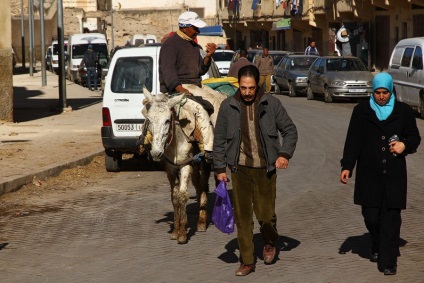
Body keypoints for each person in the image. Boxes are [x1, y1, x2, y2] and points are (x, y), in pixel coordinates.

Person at [213, 65, 298, 276]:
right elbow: (219, 140)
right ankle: (248, 261)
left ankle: (270, 240)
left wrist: (283, 154)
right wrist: (219, 168)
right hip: (239, 169)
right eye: (243, 88)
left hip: (265, 169)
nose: (247, 92)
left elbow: (290, 130)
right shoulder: (228, 106)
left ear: (257, 85)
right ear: (238, 87)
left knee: (266, 216)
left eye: (251, 88)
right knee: (243, 219)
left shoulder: (272, 104)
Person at [340, 73, 421, 276]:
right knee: (371, 216)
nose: (382, 96)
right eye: (378, 92)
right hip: (369, 175)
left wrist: (405, 145)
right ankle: (376, 242)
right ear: (373, 92)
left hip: (394, 175)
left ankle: (389, 261)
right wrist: (347, 166)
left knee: (391, 220)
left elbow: (414, 137)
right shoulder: (361, 112)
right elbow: (353, 142)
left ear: (391, 91)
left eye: (385, 92)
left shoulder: (403, 111)